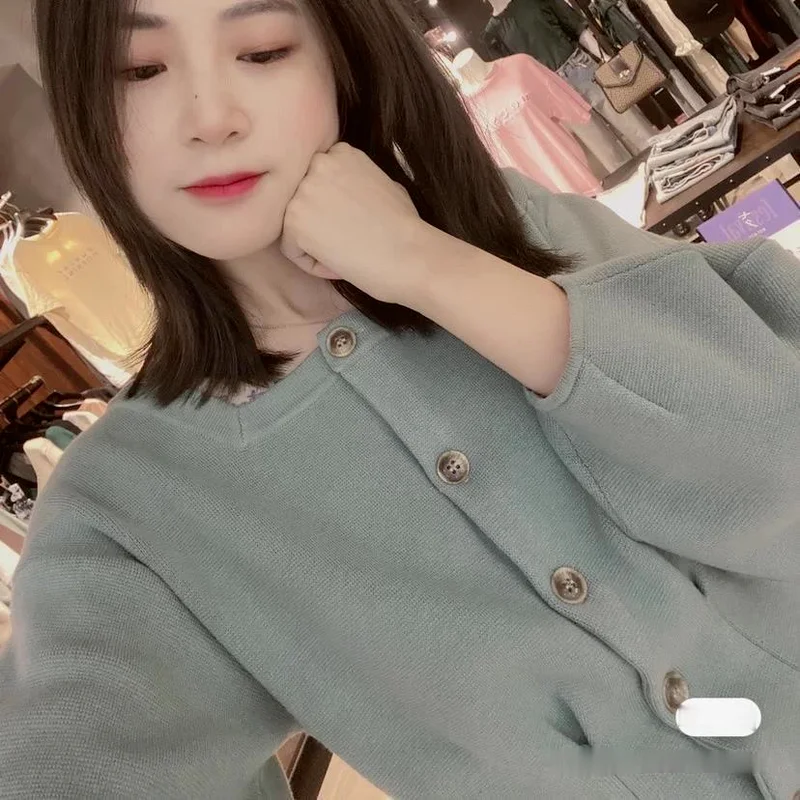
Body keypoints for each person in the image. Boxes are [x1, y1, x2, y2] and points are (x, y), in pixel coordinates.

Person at [0, 0, 797, 798]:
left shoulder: (516, 225)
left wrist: (426, 265)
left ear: (336, 56)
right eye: (139, 70)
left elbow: (778, 457)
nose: (211, 118)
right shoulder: (132, 505)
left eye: (263, 51)